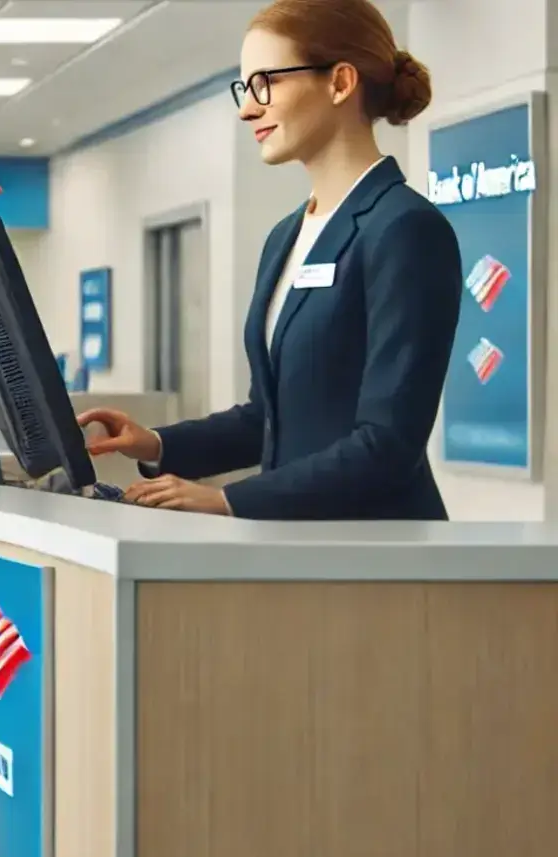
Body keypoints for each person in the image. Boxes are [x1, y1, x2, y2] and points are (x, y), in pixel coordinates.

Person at [79, 0, 461, 522]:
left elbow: (388, 445)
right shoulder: (287, 236)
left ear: (340, 82)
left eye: (266, 84)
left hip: (380, 557)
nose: (247, 109)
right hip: (293, 552)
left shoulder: (404, 228)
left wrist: (231, 499)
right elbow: (267, 417)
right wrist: (154, 444)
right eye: (245, 89)